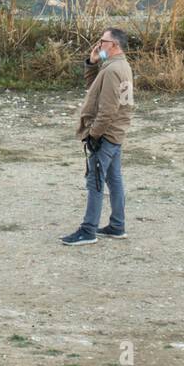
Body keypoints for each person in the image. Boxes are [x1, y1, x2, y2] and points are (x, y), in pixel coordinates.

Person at [61, 28, 136, 246]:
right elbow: (94, 89)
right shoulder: (119, 65)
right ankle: (117, 225)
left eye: (103, 41)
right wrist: (93, 63)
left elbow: (108, 109)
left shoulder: (113, 70)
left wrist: (94, 135)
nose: (98, 44)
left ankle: (88, 230)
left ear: (114, 45)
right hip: (116, 133)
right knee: (114, 179)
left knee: (94, 181)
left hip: (106, 134)